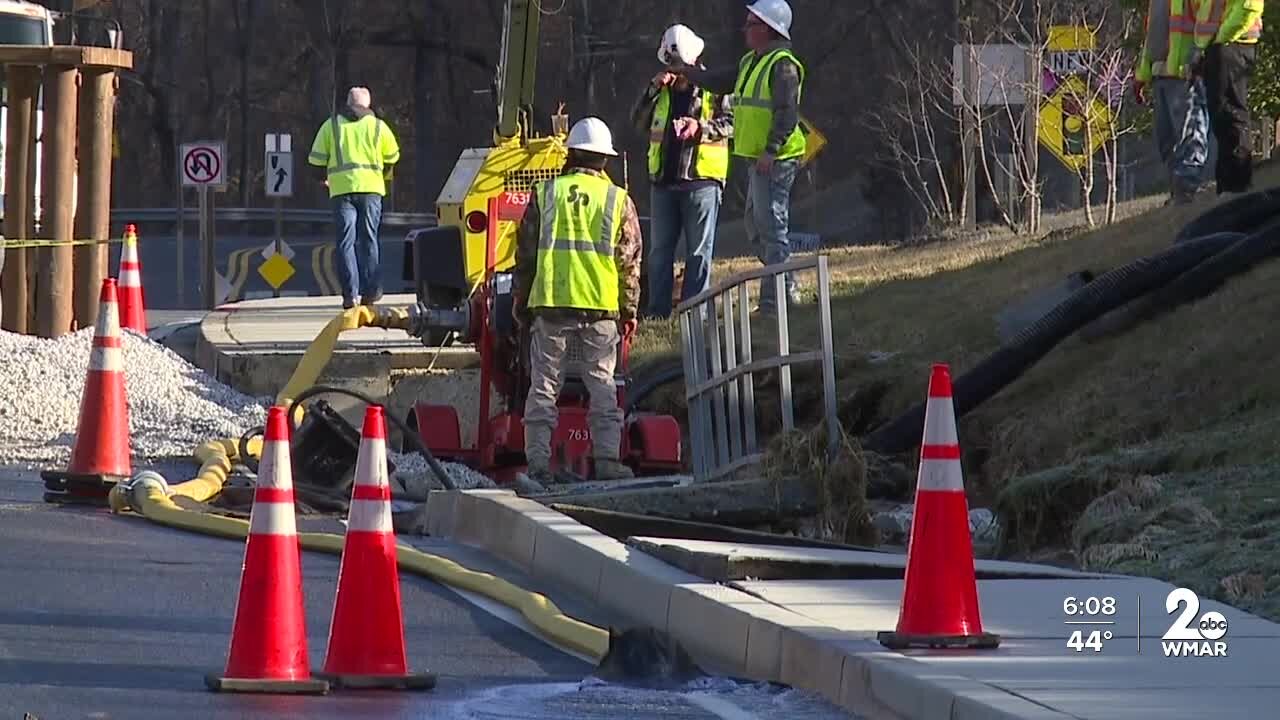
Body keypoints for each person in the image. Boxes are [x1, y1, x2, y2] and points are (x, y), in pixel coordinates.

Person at [511, 117, 643, 484]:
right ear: (606, 159)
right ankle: (606, 460)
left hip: (551, 304)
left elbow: (525, 256)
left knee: (543, 387)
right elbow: (629, 263)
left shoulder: (545, 194)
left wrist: (521, 302)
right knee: (602, 386)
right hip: (600, 307)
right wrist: (629, 310)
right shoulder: (619, 200)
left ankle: (537, 464)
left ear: (570, 153)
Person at [631, 23, 733, 319]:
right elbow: (637, 122)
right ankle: (657, 313)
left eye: (679, 66)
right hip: (664, 183)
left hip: (701, 182)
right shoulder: (660, 92)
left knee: (699, 253)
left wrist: (700, 128)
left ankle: (694, 314)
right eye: (671, 65)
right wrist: (651, 89)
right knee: (660, 254)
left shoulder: (715, 88)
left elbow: (733, 121)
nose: (675, 72)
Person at [732, 0, 805, 316]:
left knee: (772, 228)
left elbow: (787, 114)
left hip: (776, 159)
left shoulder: (783, 65)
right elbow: (725, 83)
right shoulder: (752, 61)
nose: (745, 29)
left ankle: (773, 303)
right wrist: (690, 74)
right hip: (758, 160)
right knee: (755, 226)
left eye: (751, 24)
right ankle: (786, 284)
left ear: (768, 29)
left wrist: (771, 150)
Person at [307, 86, 401, 308]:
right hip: (372, 190)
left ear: (349, 104)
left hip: (342, 191)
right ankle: (372, 291)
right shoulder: (379, 126)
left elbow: (316, 160)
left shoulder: (332, 126)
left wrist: (323, 178)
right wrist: (383, 175)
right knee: (369, 239)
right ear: (367, 105)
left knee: (345, 243)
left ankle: (350, 295)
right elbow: (393, 156)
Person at [1134, 0, 1212, 205]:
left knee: (1190, 134)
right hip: (1161, 75)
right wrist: (1142, 75)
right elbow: (1152, 37)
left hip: (1184, 73)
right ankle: (1177, 191)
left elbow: (1209, 20)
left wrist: (1196, 58)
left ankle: (1189, 191)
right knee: (1166, 141)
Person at [1192, 0, 1264, 196]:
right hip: (1221, 45)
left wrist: (1222, 38)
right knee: (1221, 116)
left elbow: (1250, 6)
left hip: (1232, 44)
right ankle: (1227, 185)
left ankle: (1237, 185)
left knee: (1231, 114)